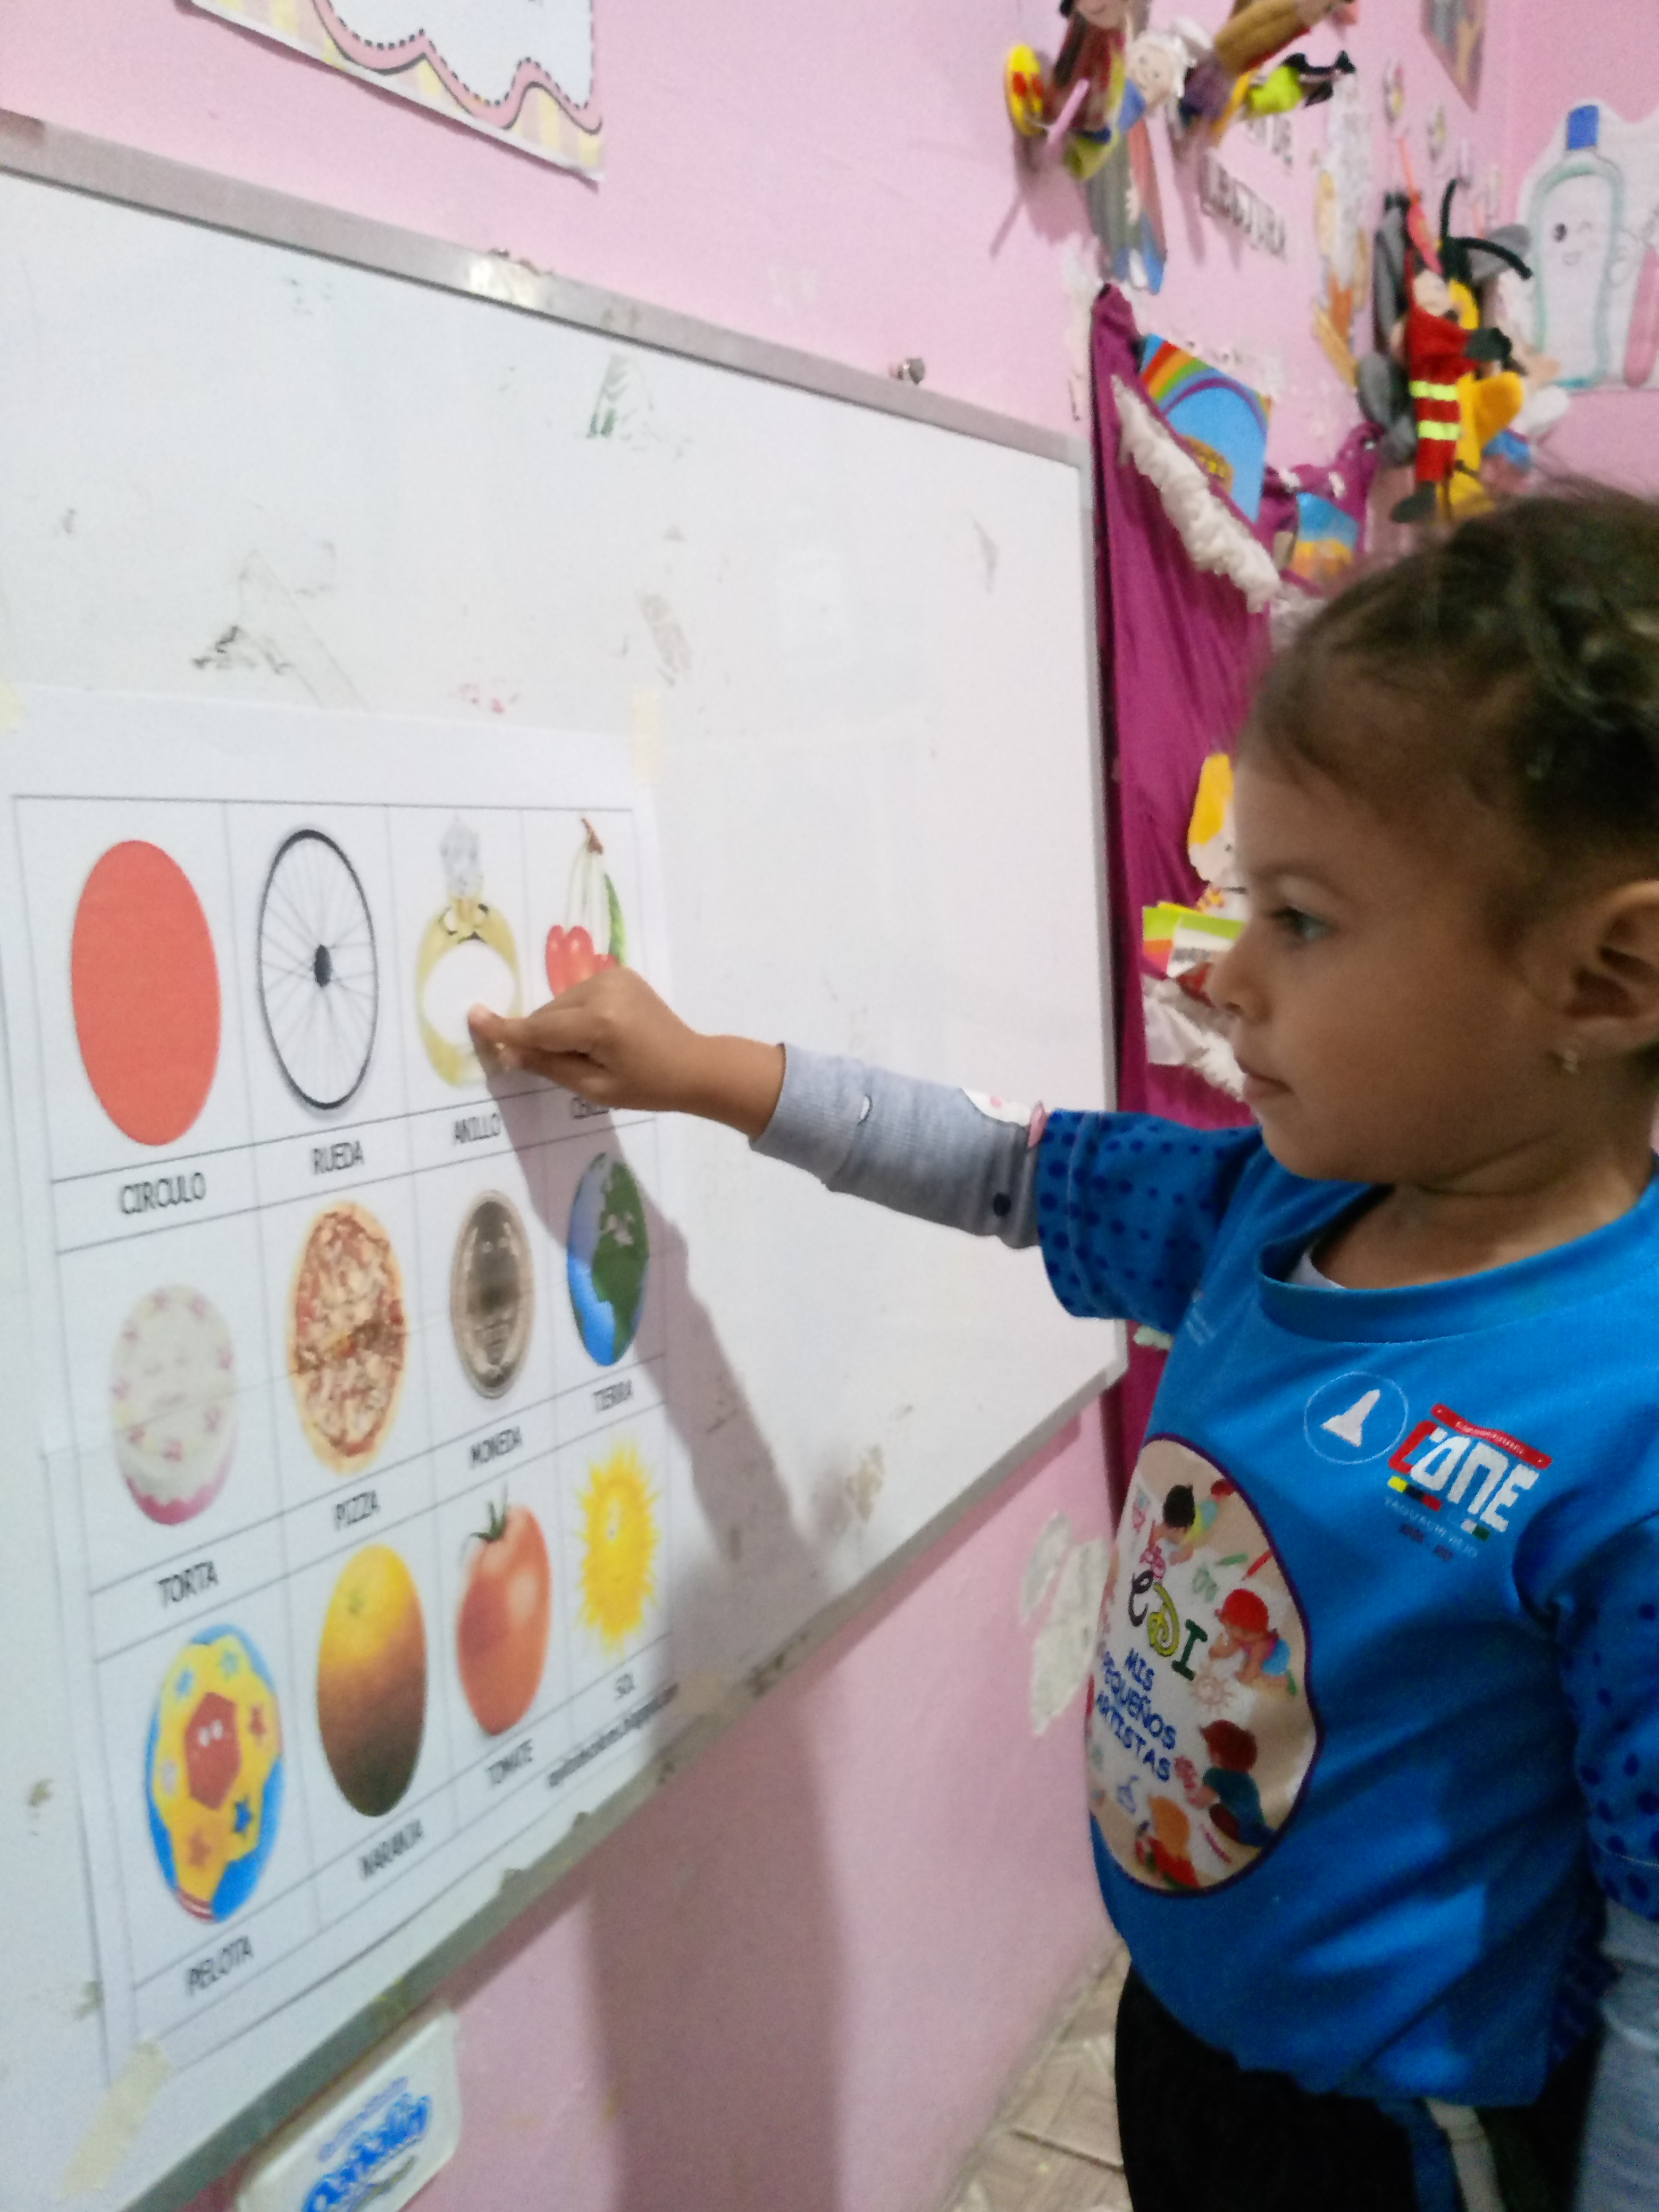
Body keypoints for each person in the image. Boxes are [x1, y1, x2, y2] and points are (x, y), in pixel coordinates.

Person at [471, 489, 1659, 2212]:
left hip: (1399, 2140)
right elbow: (1005, 1168)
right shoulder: (1272, 1206)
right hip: (1183, 2035)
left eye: (1303, 921)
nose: (1224, 979)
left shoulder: (1626, 1427)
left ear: (1607, 980)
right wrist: (701, 1069)